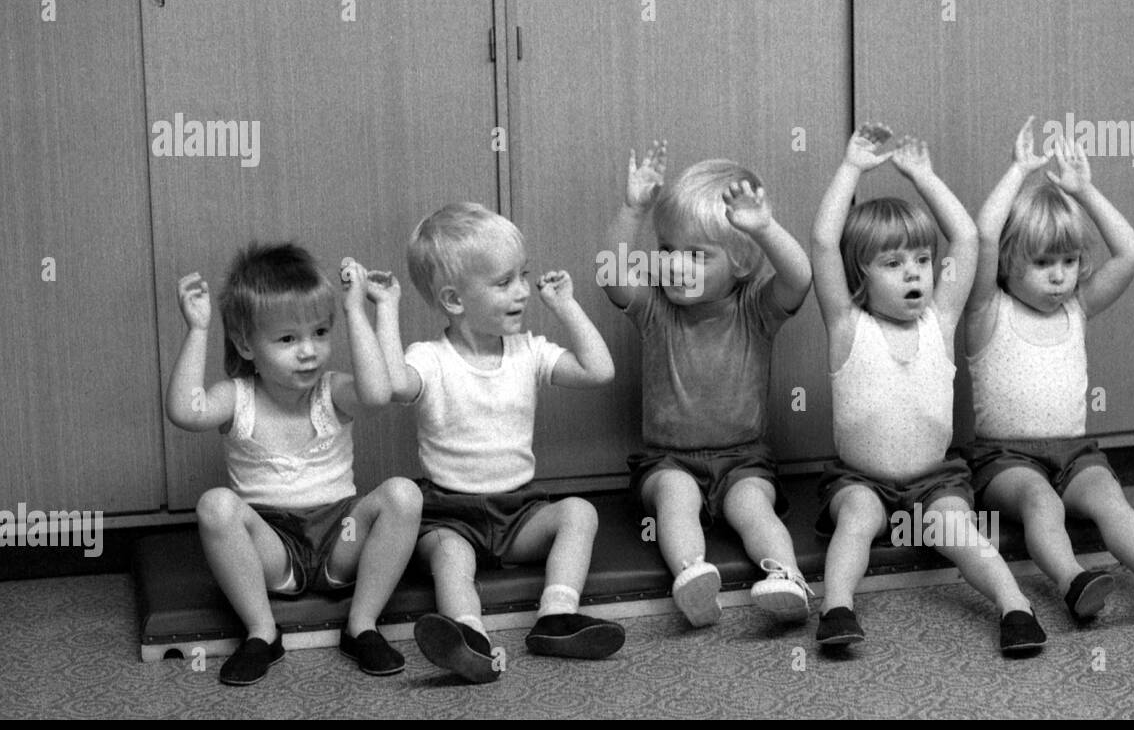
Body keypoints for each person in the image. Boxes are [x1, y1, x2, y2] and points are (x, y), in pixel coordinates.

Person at [810, 125, 1047, 654]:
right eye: (892, 264)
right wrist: (851, 167)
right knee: (856, 519)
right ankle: (836, 608)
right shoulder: (846, 326)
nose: (913, 273)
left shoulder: (939, 321)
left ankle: (1015, 608)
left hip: (933, 481)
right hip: (860, 478)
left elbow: (966, 238)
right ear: (860, 275)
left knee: (959, 529)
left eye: (920, 260)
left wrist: (923, 177)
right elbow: (823, 242)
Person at [378, 203, 624, 684]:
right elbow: (393, 386)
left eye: (523, 276)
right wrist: (387, 312)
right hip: (450, 513)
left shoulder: (528, 351)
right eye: (503, 282)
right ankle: (469, 637)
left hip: (519, 512)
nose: (522, 292)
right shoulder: (429, 358)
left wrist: (565, 306)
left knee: (580, 512)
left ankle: (556, 617)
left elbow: (599, 370)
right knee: (451, 556)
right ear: (454, 300)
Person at [165, 243, 421, 686]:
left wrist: (356, 310)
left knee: (404, 494)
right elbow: (186, 413)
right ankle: (263, 633)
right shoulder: (238, 396)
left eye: (320, 333)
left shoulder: (331, 391)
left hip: (340, 536)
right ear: (246, 344)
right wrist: (198, 329)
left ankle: (362, 626)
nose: (308, 351)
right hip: (273, 549)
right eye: (288, 339)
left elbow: (379, 395)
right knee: (215, 505)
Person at [964, 117, 1134, 622]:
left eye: (1068, 261)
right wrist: (1019, 170)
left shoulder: (1076, 308)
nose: (1060, 275)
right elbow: (982, 236)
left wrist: (1085, 191)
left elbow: (1129, 253)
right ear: (1008, 265)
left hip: (1075, 451)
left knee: (1109, 497)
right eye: (1044, 263)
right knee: (1043, 502)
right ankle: (1073, 580)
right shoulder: (987, 311)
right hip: (1005, 460)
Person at [600, 145, 814, 627]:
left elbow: (799, 278)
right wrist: (634, 209)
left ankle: (789, 577)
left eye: (695, 256)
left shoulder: (754, 309)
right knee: (676, 500)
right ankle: (692, 575)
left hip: (744, 457)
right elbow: (610, 276)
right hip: (668, 459)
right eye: (669, 251)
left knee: (754, 508)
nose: (675, 265)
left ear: (739, 263)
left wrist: (763, 228)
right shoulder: (656, 309)